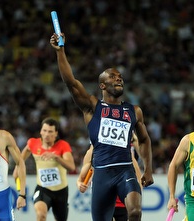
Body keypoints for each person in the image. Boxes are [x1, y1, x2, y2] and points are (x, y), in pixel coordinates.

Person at [50, 33, 154, 221]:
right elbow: (71, 83)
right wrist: (60, 52)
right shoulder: (93, 107)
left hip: (125, 170)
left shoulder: (134, 111)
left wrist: (147, 169)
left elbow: (145, 139)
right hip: (102, 174)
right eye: (113, 77)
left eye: (120, 77)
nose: (118, 79)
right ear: (102, 86)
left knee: (135, 212)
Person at [13, 117, 75, 221]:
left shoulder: (63, 145)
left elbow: (71, 167)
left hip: (61, 191)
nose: (46, 134)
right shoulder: (33, 143)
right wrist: (17, 171)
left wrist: (56, 157)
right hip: (43, 189)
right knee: (41, 215)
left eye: (50, 131)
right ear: (40, 131)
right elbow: (20, 161)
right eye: (44, 130)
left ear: (56, 133)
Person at [77, 133, 142, 221]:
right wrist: (80, 185)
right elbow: (80, 179)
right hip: (103, 201)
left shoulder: (126, 155)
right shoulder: (92, 153)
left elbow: (138, 178)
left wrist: (136, 198)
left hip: (121, 203)